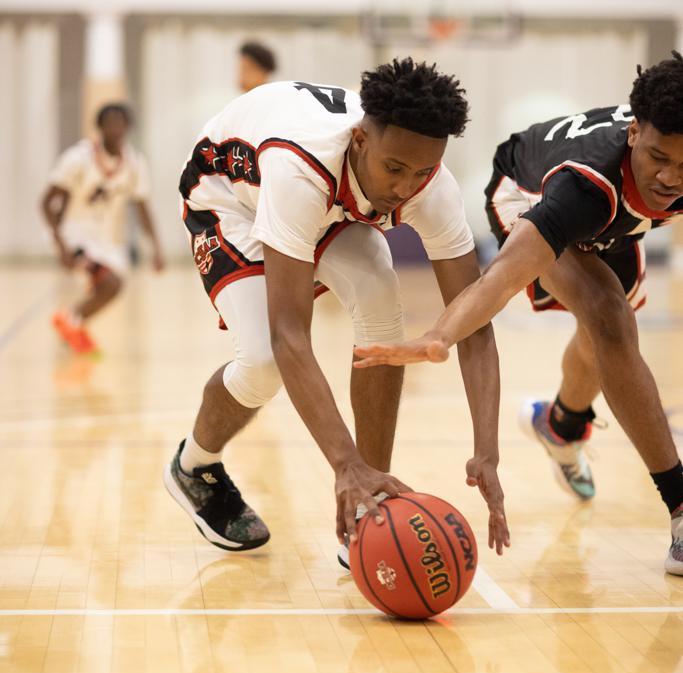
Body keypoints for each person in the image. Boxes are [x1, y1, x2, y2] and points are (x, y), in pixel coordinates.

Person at [163, 58, 510, 560]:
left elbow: (475, 325)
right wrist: (342, 462)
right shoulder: (300, 167)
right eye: (395, 169)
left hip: (324, 205)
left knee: (376, 288)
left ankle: (368, 506)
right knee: (262, 360)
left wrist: (487, 449)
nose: (405, 188)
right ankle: (194, 467)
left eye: (422, 171)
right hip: (228, 197)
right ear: (361, 141)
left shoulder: (433, 187)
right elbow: (290, 335)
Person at [354, 52, 683, 576]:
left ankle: (562, 424)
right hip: (523, 190)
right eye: (659, 157)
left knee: (605, 338)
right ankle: (681, 509)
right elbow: (503, 277)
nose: (670, 177)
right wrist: (439, 336)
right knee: (609, 317)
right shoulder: (583, 188)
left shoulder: (658, 172)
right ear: (634, 133)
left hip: (621, 217)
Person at [42, 102, 165, 354]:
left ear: (128, 127)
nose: (115, 128)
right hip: (72, 236)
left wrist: (156, 247)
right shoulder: (78, 158)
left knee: (112, 287)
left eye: (120, 122)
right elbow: (46, 203)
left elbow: (143, 208)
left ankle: (72, 322)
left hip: (103, 240)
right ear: (99, 127)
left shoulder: (133, 163)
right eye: (110, 123)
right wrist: (61, 244)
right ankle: (71, 318)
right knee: (110, 283)